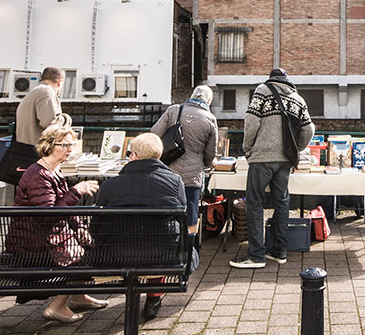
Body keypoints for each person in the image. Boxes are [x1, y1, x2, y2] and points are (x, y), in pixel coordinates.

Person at [6, 125, 104, 323]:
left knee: (91, 246)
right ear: (49, 145)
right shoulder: (38, 176)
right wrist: (77, 191)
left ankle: (77, 296)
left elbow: (64, 209)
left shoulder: (52, 170)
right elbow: (48, 214)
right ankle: (57, 307)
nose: (70, 149)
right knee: (86, 259)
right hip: (33, 246)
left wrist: (80, 229)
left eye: (72, 145)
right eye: (65, 145)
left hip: (43, 239)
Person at [95, 133, 188, 320]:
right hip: (164, 254)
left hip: (115, 254)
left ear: (134, 156)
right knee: (161, 236)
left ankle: (140, 291)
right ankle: (153, 297)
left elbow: (97, 225)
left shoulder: (110, 185)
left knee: (132, 237)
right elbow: (182, 219)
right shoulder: (175, 182)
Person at [230, 68, 314, 269]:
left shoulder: (263, 90)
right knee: (282, 202)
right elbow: (309, 128)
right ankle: (279, 251)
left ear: (271, 79)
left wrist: (248, 148)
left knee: (254, 203)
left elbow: (251, 121)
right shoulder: (297, 98)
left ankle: (257, 255)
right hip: (285, 159)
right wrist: (296, 149)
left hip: (262, 157)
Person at [151, 85, 217, 234]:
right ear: (209, 100)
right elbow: (210, 153)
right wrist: (206, 164)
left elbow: (154, 134)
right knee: (191, 212)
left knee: (167, 210)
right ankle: (188, 250)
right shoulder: (210, 119)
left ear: (193, 95)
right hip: (192, 176)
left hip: (167, 172)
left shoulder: (174, 110)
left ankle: (167, 246)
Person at [15, 67, 68, 147]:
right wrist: (66, 119)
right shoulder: (46, 92)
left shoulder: (34, 92)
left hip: (23, 148)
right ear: (59, 82)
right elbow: (50, 124)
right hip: (36, 150)